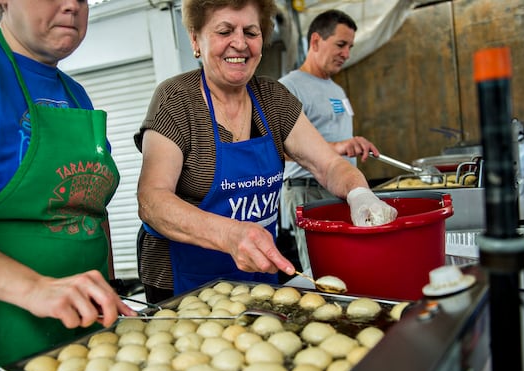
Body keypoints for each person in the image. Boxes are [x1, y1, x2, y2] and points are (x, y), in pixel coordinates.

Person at [134, 0, 398, 304]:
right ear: (196, 39)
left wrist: (359, 194)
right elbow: (152, 200)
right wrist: (230, 235)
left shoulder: (273, 99)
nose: (239, 43)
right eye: (224, 31)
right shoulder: (176, 99)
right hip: (185, 284)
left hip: (257, 275)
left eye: (251, 32)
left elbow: (328, 165)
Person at [0, 1, 137, 371]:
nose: (71, 5)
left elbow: (90, 211)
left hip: (80, 340)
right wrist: (34, 288)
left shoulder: (75, 93)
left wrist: (110, 285)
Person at [279, 9, 381, 273]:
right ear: (315, 42)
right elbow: (276, 148)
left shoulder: (337, 90)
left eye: (350, 46)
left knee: (351, 264)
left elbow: (337, 137)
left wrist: (350, 147)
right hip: (308, 189)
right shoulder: (290, 87)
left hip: (340, 189)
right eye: (340, 44)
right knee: (324, 270)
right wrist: (336, 149)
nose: (347, 53)